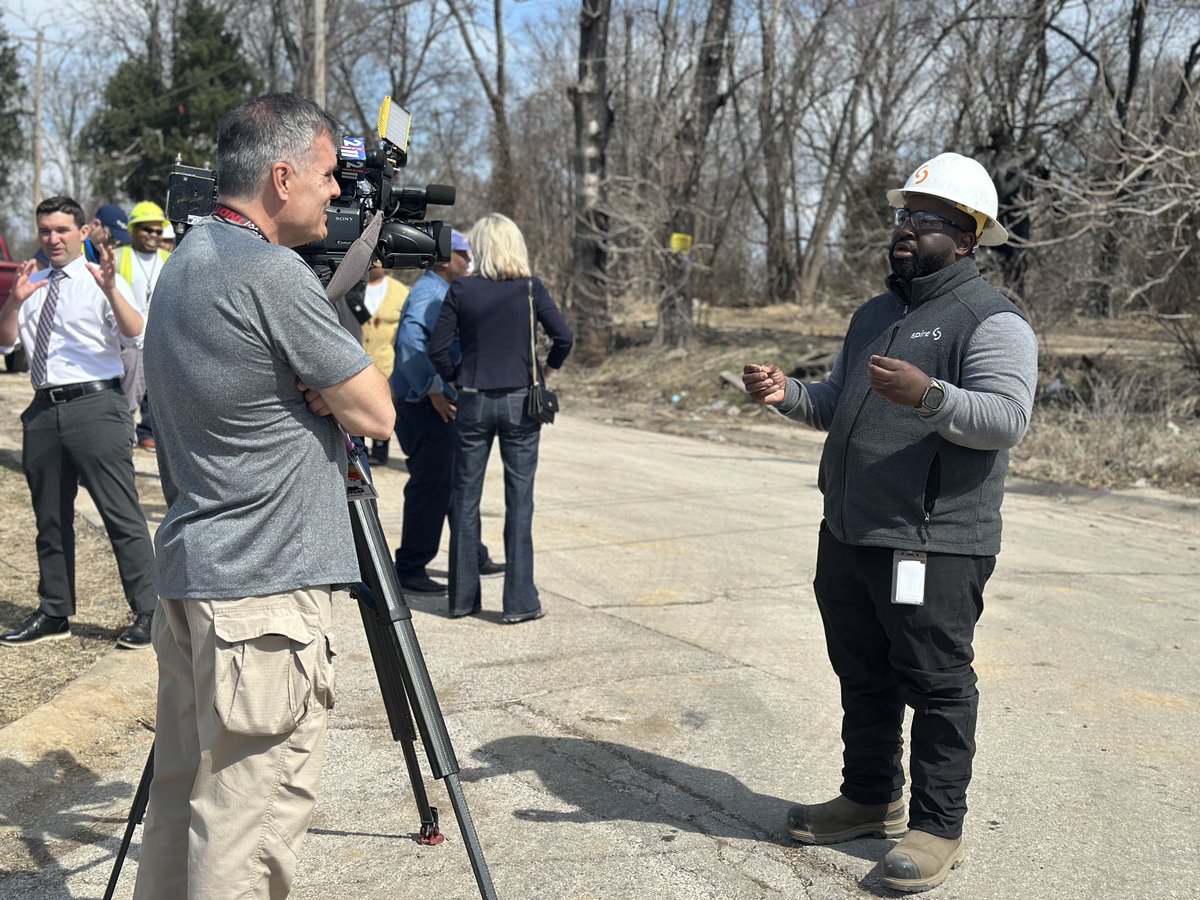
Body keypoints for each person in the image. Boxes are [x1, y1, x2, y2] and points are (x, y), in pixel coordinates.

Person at [742, 152, 1037, 893]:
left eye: (926, 218)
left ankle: (937, 828)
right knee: (864, 674)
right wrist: (788, 394)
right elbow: (839, 401)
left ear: (967, 237)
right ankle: (870, 798)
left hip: (933, 542)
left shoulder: (993, 320)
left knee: (936, 684)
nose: (906, 227)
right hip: (850, 532)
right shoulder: (875, 315)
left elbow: (1007, 418)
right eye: (904, 214)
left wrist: (930, 396)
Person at [133, 92, 395, 899]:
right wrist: (326, 388)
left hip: (199, 580)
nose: (336, 193)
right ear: (282, 178)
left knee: (183, 802)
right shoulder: (270, 272)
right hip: (264, 598)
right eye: (327, 175)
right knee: (247, 827)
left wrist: (311, 385)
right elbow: (378, 414)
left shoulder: (188, 261)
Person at [0, 196, 157, 650]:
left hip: (96, 406)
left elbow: (135, 332)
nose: (53, 238)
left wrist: (110, 290)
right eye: (45, 230)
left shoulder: (101, 280)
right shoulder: (32, 285)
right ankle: (54, 611)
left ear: (83, 232)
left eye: (62, 230)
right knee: (49, 517)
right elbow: (5, 344)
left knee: (120, 513)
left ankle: (150, 612)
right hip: (43, 409)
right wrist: (14, 300)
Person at [429, 213, 573, 622]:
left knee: (465, 498)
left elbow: (437, 347)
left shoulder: (462, 289)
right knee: (519, 500)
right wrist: (547, 371)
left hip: (473, 399)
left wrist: (454, 377)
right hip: (520, 402)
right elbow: (563, 337)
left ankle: (462, 599)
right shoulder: (530, 289)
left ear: (481, 249)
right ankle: (519, 602)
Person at [390, 230, 501, 596]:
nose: (469, 262)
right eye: (463, 255)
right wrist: (433, 389)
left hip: (433, 401)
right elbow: (410, 343)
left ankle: (473, 553)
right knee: (431, 486)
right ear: (443, 257)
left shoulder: (442, 291)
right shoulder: (430, 293)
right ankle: (410, 567)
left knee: (455, 482)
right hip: (423, 405)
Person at [115, 200, 171, 450]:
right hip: (127, 337)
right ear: (133, 230)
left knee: (156, 391)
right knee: (127, 391)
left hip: (158, 335)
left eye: (158, 231)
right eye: (147, 229)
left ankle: (147, 431)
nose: (153, 235)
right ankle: (120, 435)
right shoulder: (119, 257)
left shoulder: (170, 259)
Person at [359, 258, 410, 463]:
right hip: (357, 361)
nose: (378, 262)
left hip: (386, 362)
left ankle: (380, 450)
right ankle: (359, 447)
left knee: (384, 406)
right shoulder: (349, 286)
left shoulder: (401, 292)